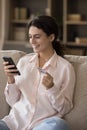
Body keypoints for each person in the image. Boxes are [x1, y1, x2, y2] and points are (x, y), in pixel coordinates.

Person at [1, 15, 75, 130]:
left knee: (60, 125)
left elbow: (65, 108)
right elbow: (12, 101)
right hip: (14, 123)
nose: (32, 42)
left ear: (51, 37)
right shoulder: (24, 62)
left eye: (37, 37)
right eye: (30, 37)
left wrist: (52, 88)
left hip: (42, 125)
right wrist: (11, 80)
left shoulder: (65, 68)